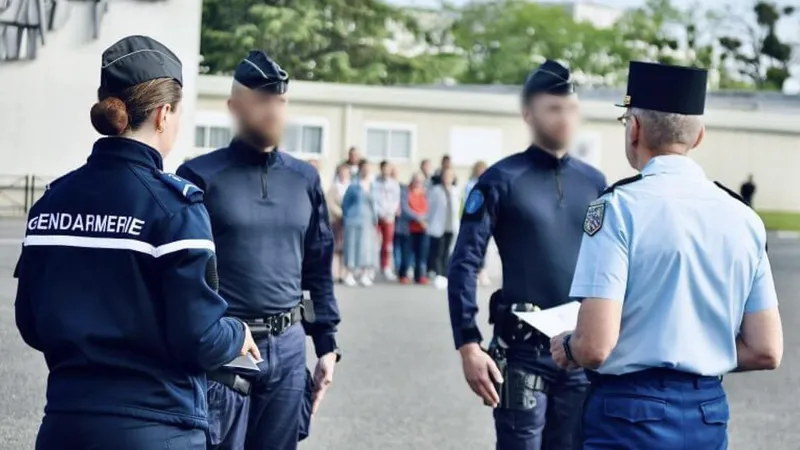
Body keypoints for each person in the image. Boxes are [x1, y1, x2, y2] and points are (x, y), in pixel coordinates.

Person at [15, 35, 258, 450]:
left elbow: (31, 323)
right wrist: (237, 333)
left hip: (64, 426)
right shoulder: (176, 208)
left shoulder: (52, 201)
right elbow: (199, 339)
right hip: (157, 428)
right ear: (164, 114)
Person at [551, 61, 783, 450]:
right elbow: (765, 348)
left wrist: (569, 345)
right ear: (699, 136)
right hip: (707, 413)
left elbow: (595, 345)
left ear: (635, 129)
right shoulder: (744, 218)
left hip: (628, 417)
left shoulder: (617, 208)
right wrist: (701, 350)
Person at [176, 51, 342, 450]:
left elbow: (317, 266)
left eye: (280, 101)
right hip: (227, 346)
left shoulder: (304, 178)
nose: (273, 110)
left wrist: (327, 344)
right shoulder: (199, 176)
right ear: (235, 107)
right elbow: (181, 278)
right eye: (263, 100)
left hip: (288, 347)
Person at [447, 60, 606, 450]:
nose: (565, 117)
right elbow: (465, 262)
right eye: (553, 108)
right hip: (523, 355)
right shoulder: (499, 181)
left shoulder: (595, 183)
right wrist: (468, 343)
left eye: (570, 108)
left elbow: (610, 267)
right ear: (528, 113)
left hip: (580, 354)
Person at [341, 160, 379, 286]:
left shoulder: (373, 185)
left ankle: (364, 274)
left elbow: (374, 205)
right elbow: (345, 203)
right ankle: (349, 273)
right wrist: (347, 217)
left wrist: (375, 219)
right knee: (352, 247)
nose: (366, 170)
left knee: (366, 248)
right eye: (364, 168)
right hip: (353, 220)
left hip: (367, 221)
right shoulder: (354, 185)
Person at [427, 167, 461, 289]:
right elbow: (430, 208)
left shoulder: (455, 191)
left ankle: (445, 274)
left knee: (447, 251)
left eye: (450, 176)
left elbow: (458, 209)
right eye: (446, 176)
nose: (447, 178)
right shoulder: (436, 190)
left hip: (450, 226)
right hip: (438, 225)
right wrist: (428, 222)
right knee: (438, 251)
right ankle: (438, 274)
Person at [399, 172, 430, 285]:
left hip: (422, 228)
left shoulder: (425, 193)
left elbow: (429, 208)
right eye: (416, 180)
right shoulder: (405, 192)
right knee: (406, 253)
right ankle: (403, 274)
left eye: (421, 181)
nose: (418, 183)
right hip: (409, 228)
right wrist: (418, 218)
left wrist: (424, 219)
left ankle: (419, 275)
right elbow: (405, 208)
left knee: (421, 254)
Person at [373, 160, 401, 280]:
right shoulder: (375, 183)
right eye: (384, 168)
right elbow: (374, 199)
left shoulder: (394, 184)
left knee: (387, 244)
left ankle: (386, 267)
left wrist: (389, 212)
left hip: (389, 217)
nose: (386, 171)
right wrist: (379, 212)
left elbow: (396, 200)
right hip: (377, 216)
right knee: (375, 242)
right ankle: (372, 267)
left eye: (388, 169)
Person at [463, 161, 491, 286]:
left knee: (483, 247)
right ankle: (472, 272)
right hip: (473, 219)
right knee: (472, 247)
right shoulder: (470, 185)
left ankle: (481, 270)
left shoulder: (488, 184)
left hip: (485, 219)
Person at [327, 164, 351, 282]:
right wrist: (341, 214)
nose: (344, 174)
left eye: (346, 172)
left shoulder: (351, 186)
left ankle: (344, 273)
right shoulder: (335, 187)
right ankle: (335, 273)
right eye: (342, 172)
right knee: (336, 247)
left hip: (348, 222)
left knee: (345, 248)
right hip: (337, 221)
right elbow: (330, 203)